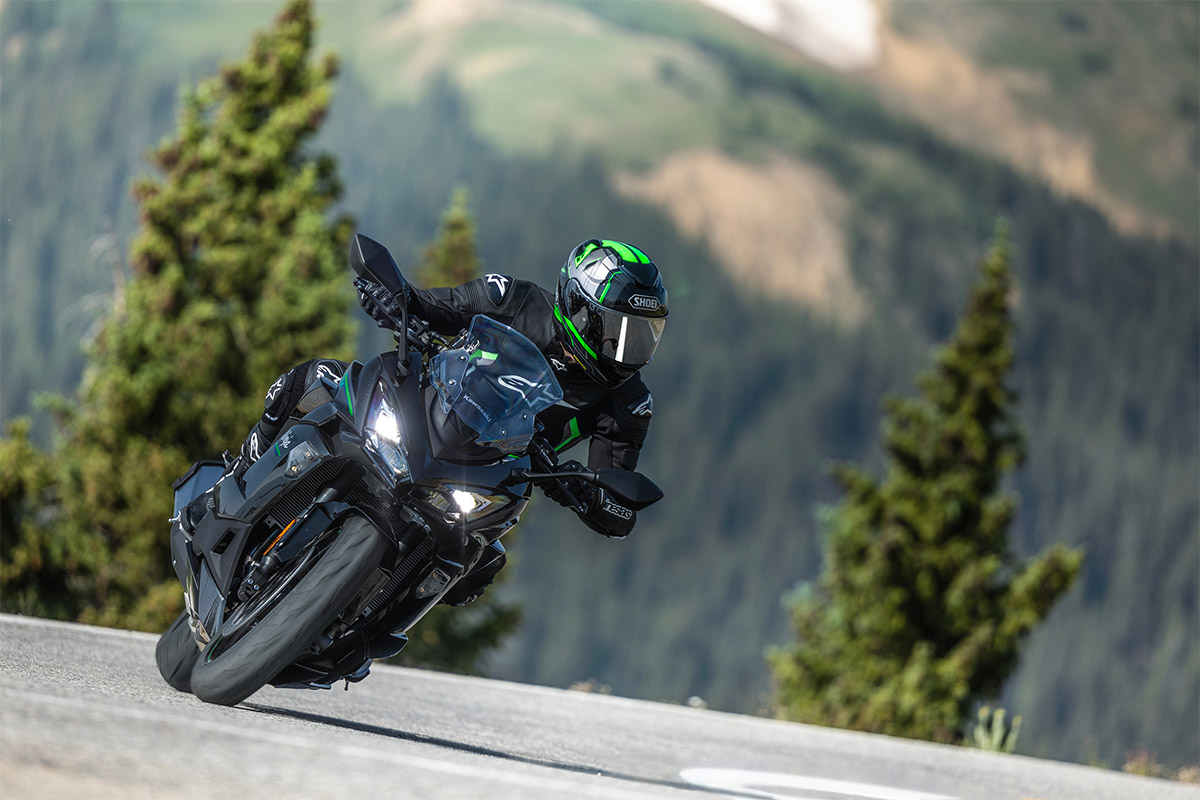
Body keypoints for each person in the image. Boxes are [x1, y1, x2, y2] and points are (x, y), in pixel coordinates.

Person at [184, 238, 668, 605]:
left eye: (645, 335)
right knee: (313, 378)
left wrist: (587, 493)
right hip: (432, 411)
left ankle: (361, 627)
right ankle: (233, 479)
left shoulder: (629, 402)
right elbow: (435, 306)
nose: (629, 350)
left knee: (476, 566)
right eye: (620, 332)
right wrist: (391, 300)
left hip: (495, 474)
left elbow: (616, 500)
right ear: (581, 309)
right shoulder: (515, 299)